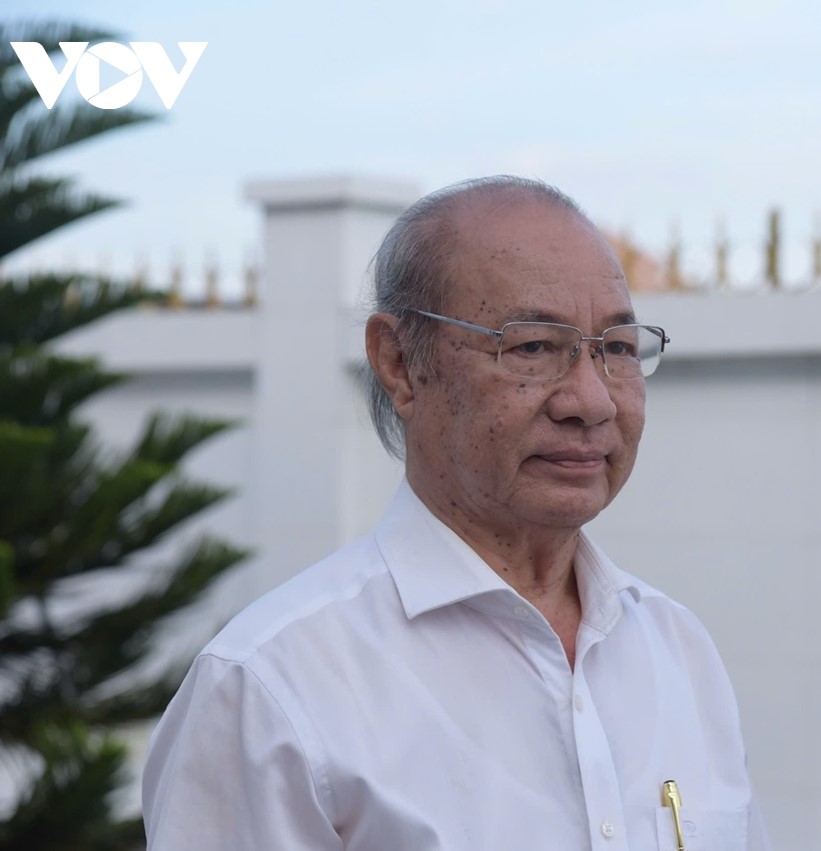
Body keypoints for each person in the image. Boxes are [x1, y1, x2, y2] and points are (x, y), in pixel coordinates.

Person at [142, 176, 771, 850]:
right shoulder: (271, 689)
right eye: (532, 346)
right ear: (399, 363)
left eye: (616, 347)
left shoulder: (677, 652)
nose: (591, 401)